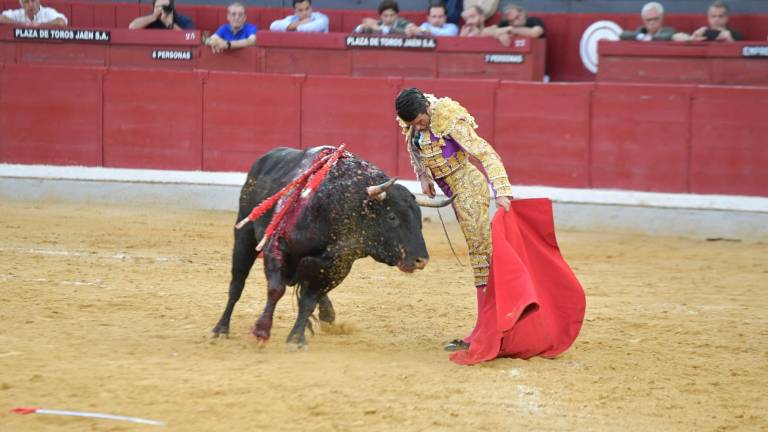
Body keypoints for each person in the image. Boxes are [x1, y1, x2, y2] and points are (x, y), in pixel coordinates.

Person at [395, 88, 513, 352]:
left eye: (420, 121)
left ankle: (489, 327)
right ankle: (490, 323)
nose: (417, 126)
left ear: (427, 108)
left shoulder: (449, 119)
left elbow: (486, 153)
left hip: (468, 189)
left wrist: (502, 191)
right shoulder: (412, 121)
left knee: (481, 256)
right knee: (481, 254)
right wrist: (423, 176)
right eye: (413, 123)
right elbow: (412, 144)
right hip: (453, 192)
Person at [673, 0, 743, 42]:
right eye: (713, 16)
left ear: (726, 18)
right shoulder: (703, 33)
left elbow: (741, 52)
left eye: (720, 16)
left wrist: (729, 39)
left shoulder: (735, 35)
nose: (716, 19)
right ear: (708, 18)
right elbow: (675, 36)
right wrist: (692, 38)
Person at [128, 0, 194, 30]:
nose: (161, 10)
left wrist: (170, 24)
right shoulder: (151, 18)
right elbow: (132, 27)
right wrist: (153, 17)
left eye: (165, 7)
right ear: (153, 8)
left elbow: (188, 38)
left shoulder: (183, 20)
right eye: (158, 7)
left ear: (172, 9)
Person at [0, 0, 67, 26]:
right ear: (22, 5)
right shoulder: (18, 13)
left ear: (39, 1)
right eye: (26, 2)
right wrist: (21, 24)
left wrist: (40, 25)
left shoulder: (47, 12)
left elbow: (61, 22)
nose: (30, 5)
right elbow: (1, 18)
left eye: (33, 0)